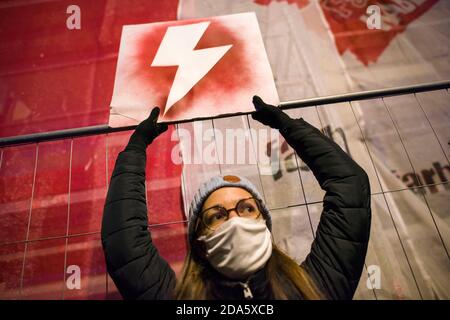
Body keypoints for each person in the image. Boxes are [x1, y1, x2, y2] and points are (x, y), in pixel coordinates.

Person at [101, 96, 372, 300]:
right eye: (217, 215)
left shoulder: (311, 289)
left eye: (246, 209)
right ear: (199, 240)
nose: (235, 220)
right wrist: (137, 146)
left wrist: (287, 126)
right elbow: (124, 242)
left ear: (264, 223)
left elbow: (350, 186)